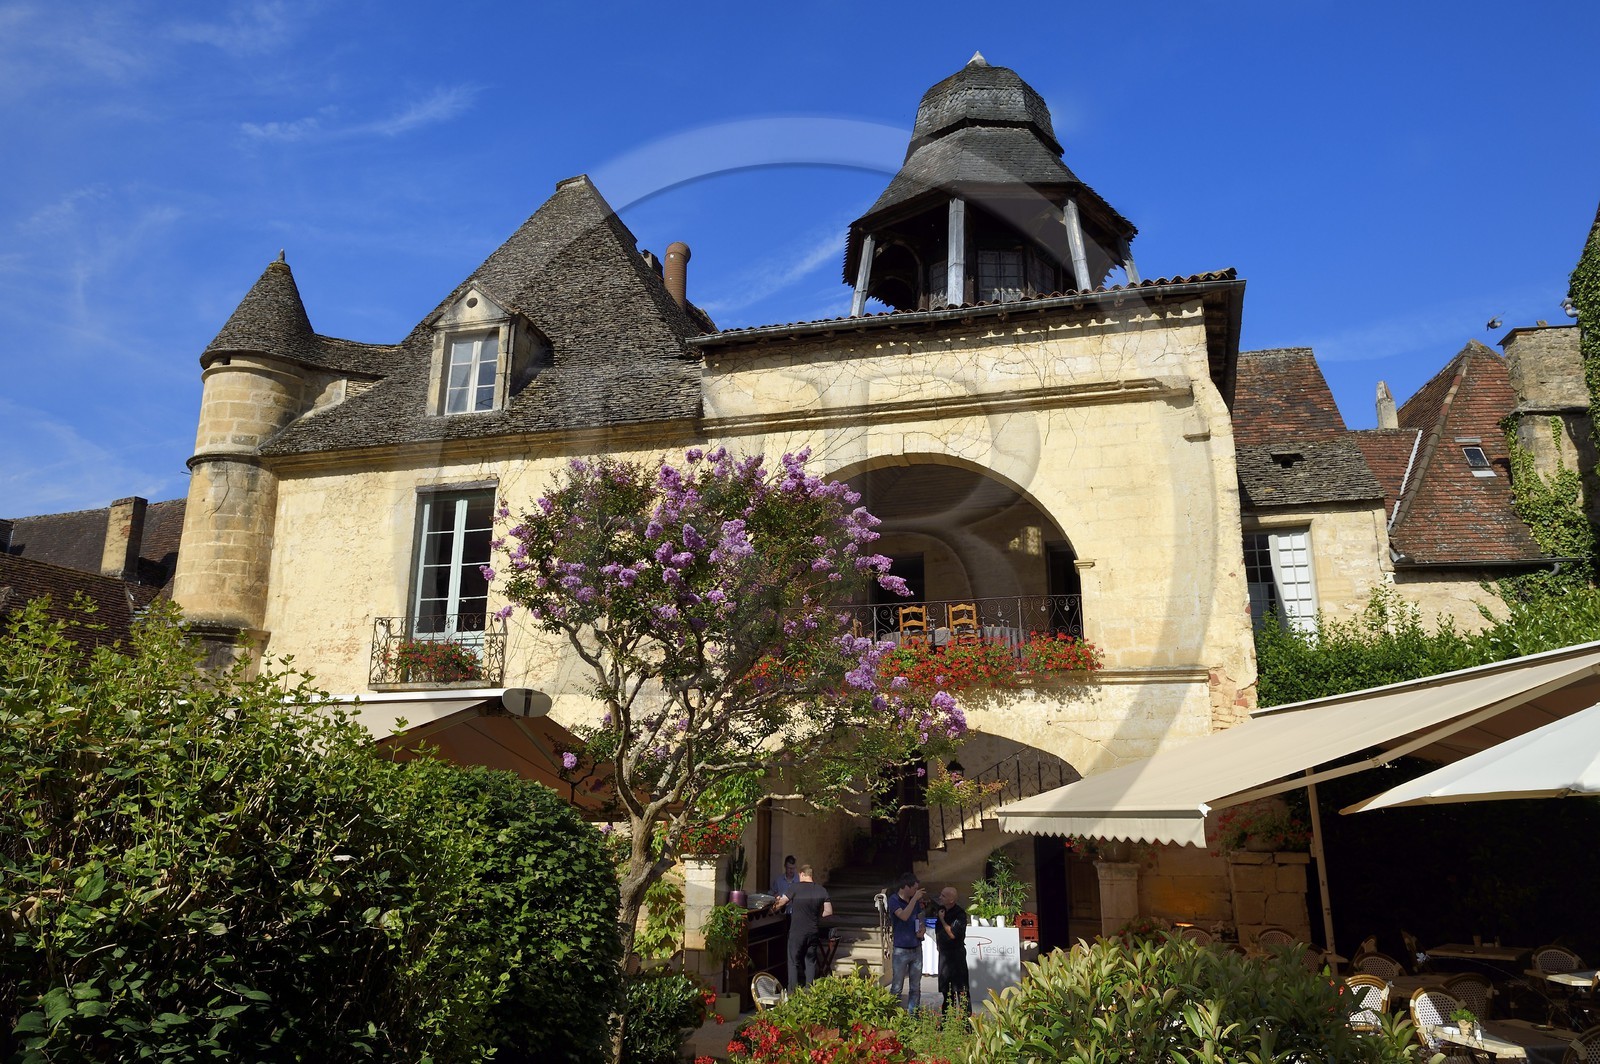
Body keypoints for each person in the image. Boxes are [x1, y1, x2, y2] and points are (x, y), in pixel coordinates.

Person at [775, 863, 831, 989]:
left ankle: (792, 993)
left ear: (801, 874)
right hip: (813, 931)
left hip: (797, 932)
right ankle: (809, 992)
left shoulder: (795, 888)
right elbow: (828, 911)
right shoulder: (822, 890)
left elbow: (781, 903)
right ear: (811, 875)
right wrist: (815, 915)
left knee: (793, 961)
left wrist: (774, 905)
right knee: (810, 962)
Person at [889, 872, 926, 1011]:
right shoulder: (894, 900)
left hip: (916, 947)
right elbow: (904, 916)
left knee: (915, 987)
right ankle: (892, 1015)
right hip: (901, 949)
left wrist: (921, 929)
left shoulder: (914, 901)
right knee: (897, 986)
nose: (916, 892)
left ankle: (913, 1017)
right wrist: (914, 899)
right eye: (914, 889)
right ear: (905, 886)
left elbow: (918, 917)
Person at [933, 885, 970, 1015]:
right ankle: (946, 1019)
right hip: (944, 954)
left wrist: (943, 920)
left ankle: (966, 1021)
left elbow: (953, 934)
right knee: (946, 989)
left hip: (956, 955)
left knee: (960, 988)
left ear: (951, 900)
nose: (940, 898)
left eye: (943, 896)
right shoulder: (941, 910)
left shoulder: (960, 914)